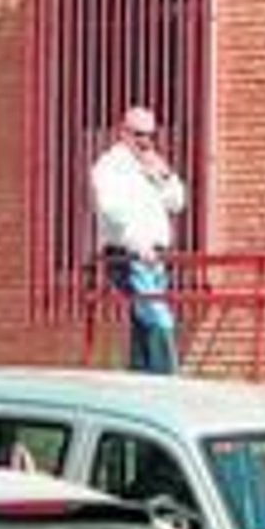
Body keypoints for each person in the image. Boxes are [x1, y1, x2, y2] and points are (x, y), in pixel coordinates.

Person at [91, 106, 185, 374]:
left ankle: (141, 372)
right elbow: (111, 210)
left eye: (150, 135)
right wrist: (136, 243)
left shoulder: (150, 165)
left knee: (143, 315)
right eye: (138, 134)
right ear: (123, 133)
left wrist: (164, 175)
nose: (145, 141)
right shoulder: (110, 166)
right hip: (128, 252)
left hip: (155, 255)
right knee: (156, 313)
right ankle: (166, 375)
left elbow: (177, 203)